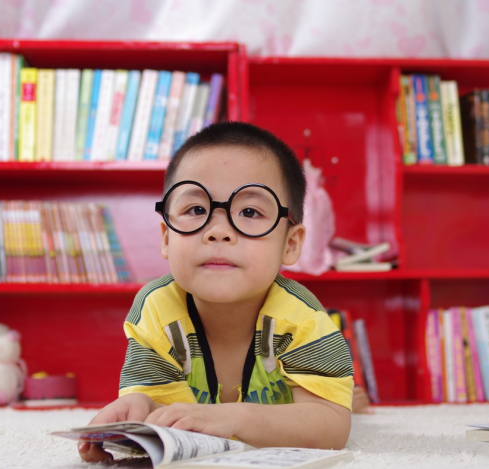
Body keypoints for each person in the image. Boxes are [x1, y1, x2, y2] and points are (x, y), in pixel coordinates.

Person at [80, 122, 363, 463]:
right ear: (166, 237)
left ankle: (350, 395)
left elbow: (332, 427)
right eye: (196, 210)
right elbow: (170, 415)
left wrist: (234, 418)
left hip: (292, 410)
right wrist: (141, 406)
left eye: (249, 211)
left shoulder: (302, 318)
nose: (218, 231)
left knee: (345, 403)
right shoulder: (156, 310)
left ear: (290, 244)